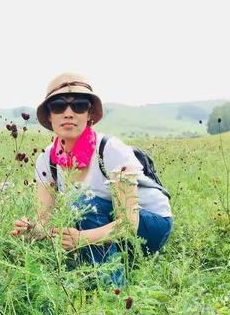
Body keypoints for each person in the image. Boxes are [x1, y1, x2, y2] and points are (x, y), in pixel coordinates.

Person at [9, 72, 173, 285]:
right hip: (105, 223)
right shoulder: (47, 160)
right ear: (49, 115)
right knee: (75, 212)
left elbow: (129, 225)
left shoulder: (109, 149)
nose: (69, 113)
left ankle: (111, 292)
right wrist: (31, 231)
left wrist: (81, 238)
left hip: (150, 225)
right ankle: (96, 277)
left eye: (78, 105)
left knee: (83, 205)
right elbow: (46, 221)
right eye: (58, 105)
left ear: (89, 114)